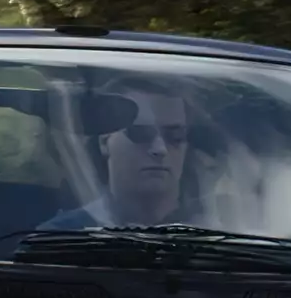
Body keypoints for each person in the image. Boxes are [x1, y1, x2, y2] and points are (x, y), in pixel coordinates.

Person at [44, 80, 197, 230]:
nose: (160, 149)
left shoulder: (214, 235)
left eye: (175, 136)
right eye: (141, 133)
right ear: (104, 141)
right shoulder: (58, 240)